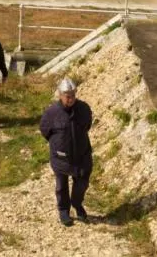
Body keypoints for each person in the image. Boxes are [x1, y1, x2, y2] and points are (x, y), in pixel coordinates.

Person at [39, 78, 93, 227]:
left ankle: (77, 203)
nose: (70, 99)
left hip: (82, 155)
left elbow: (87, 125)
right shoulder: (51, 113)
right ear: (60, 95)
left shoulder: (84, 109)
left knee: (82, 182)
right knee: (61, 185)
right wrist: (59, 143)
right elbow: (45, 131)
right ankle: (64, 211)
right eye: (67, 96)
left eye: (73, 95)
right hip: (61, 157)